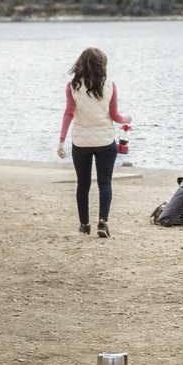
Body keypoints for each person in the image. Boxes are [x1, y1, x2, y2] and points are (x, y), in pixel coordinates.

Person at [57, 47, 131, 238]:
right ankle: (102, 223)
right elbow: (114, 116)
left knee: (83, 184)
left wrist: (61, 141)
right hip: (105, 141)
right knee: (105, 182)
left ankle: (84, 224)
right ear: (102, 65)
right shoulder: (110, 85)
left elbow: (68, 114)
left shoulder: (72, 86)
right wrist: (126, 119)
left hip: (81, 142)